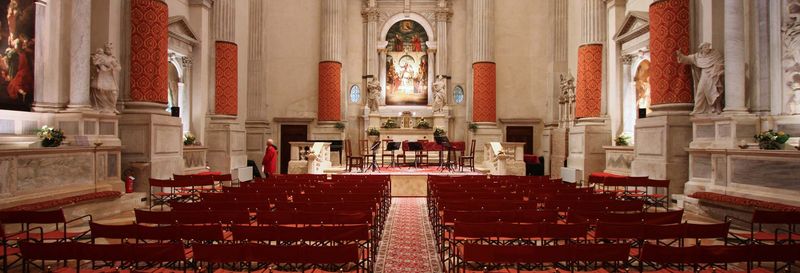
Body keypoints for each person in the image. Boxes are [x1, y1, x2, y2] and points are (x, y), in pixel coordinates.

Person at [675, 43, 725, 115]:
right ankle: (698, 109)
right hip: (704, 75)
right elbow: (687, 59)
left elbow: (721, 62)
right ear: (701, 49)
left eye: (708, 46)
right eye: (705, 47)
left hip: (713, 75)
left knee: (714, 91)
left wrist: (718, 71)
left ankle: (717, 108)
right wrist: (680, 55)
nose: (707, 48)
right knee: (700, 91)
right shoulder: (697, 57)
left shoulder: (715, 54)